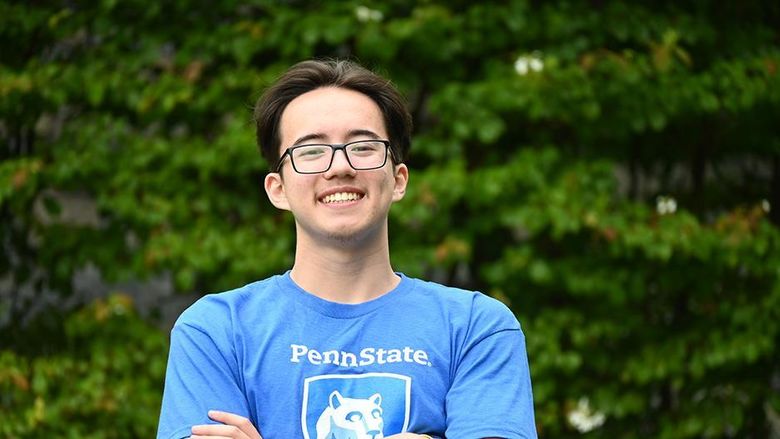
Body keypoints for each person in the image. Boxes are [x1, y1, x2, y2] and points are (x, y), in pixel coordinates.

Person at [157, 59, 537, 439]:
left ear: (399, 178)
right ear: (278, 189)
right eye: (310, 151)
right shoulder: (216, 331)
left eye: (363, 146)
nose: (339, 167)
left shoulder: (475, 328)